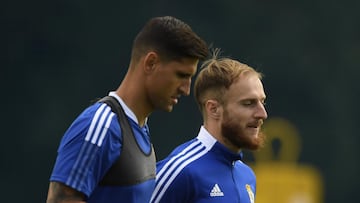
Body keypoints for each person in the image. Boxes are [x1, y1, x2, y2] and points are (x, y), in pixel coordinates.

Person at [46, 16, 208, 203]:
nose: (186, 89)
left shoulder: (140, 130)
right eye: (181, 75)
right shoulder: (101, 126)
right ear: (151, 63)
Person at [151, 49, 268, 203]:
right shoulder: (181, 171)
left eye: (262, 102)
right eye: (248, 103)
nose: (262, 114)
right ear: (213, 109)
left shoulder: (246, 176)